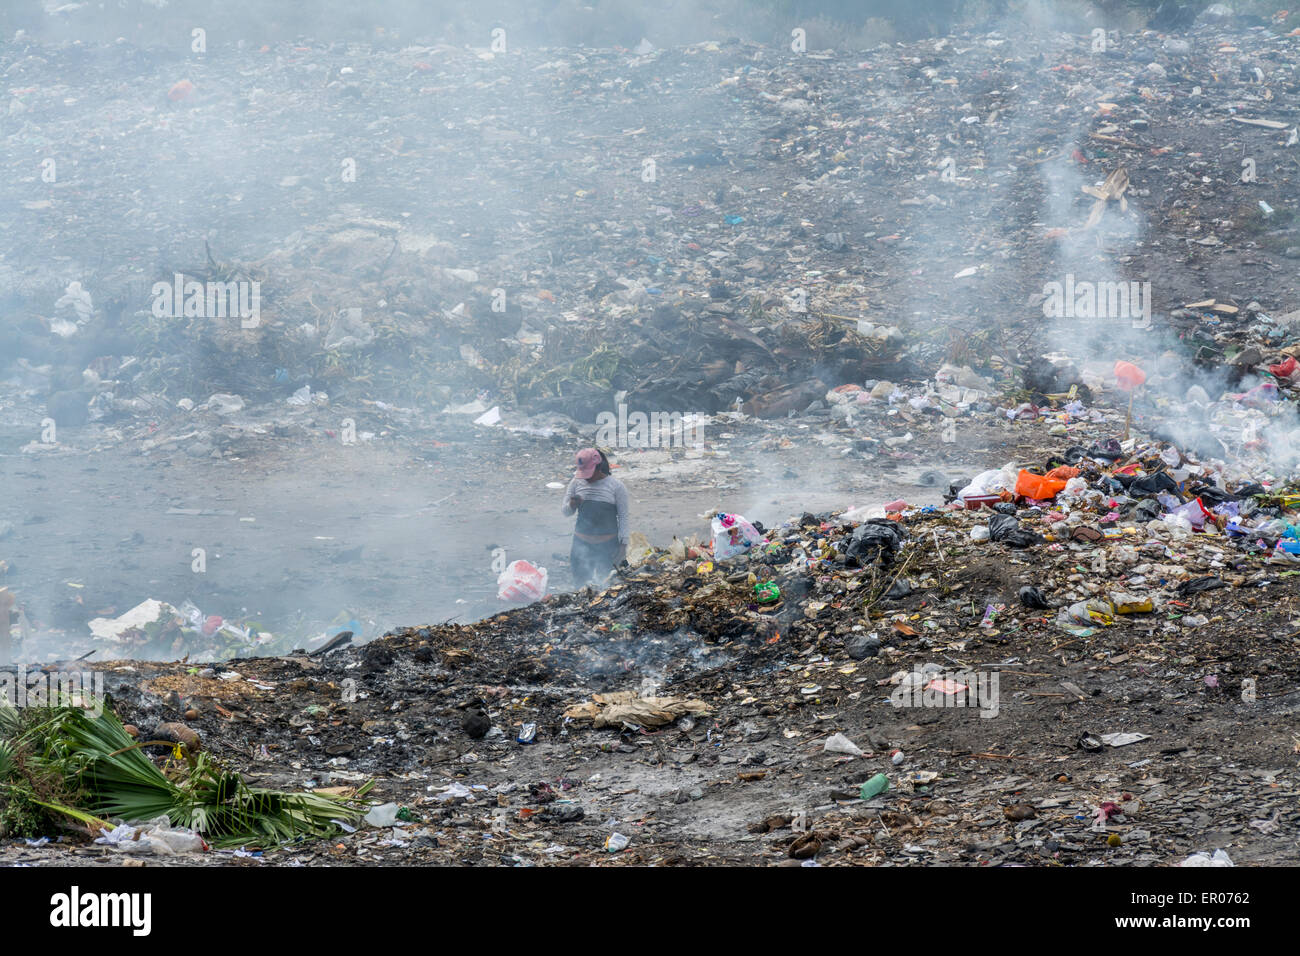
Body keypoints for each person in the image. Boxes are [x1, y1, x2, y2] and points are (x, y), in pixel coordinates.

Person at [561, 448, 629, 587]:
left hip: (607, 548)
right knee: (581, 588)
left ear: (598, 467)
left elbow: (623, 517)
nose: (586, 477)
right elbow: (565, 512)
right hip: (581, 546)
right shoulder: (576, 483)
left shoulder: (616, 487)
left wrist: (623, 546)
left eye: (589, 473)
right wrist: (573, 505)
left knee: (607, 587)